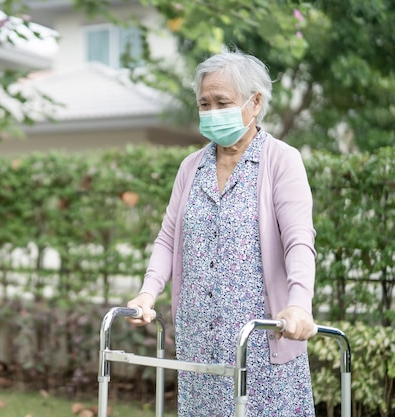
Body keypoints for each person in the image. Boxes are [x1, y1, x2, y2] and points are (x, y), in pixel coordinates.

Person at [126, 48, 317, 416]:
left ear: (255, 101)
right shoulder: (191, 167)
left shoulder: (281, 161)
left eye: (222, 102)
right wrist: (147, 294)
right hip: (200, 344)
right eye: (205, 104)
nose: (212, 113)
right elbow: (169, 239)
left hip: (261, 342)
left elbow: (299, 241)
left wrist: (298, 304)